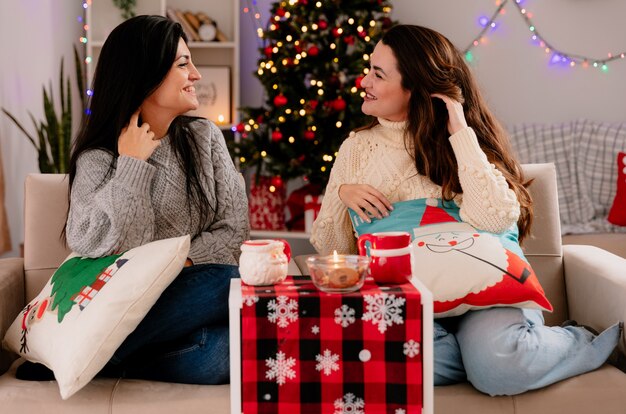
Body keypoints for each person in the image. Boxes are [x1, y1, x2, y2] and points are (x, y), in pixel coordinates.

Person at [310, 24, 621, 396]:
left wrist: (459, 130)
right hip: (413, 300)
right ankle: (482, 358)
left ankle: (576, 339)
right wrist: (342, 196)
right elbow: (332, 248)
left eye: (378, 74)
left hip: (486, 297)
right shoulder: (356, 149)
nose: (364, 81)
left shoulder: (466, 142)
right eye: (369, 69)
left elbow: (495, 219)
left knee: (501, 370)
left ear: (417, 88)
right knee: (384, 360)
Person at [17, 15, 249, 385]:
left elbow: (235, 231)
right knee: (227, 284)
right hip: (122, 301)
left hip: (184, 292)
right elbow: (98, 244)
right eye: (183, 64)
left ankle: (107, 358)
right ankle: (100, 350)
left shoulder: (205, 138)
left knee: (220, 350)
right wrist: (131, 166)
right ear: (145, 74)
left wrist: (179, 263)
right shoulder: (99, 159)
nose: (196, 75)